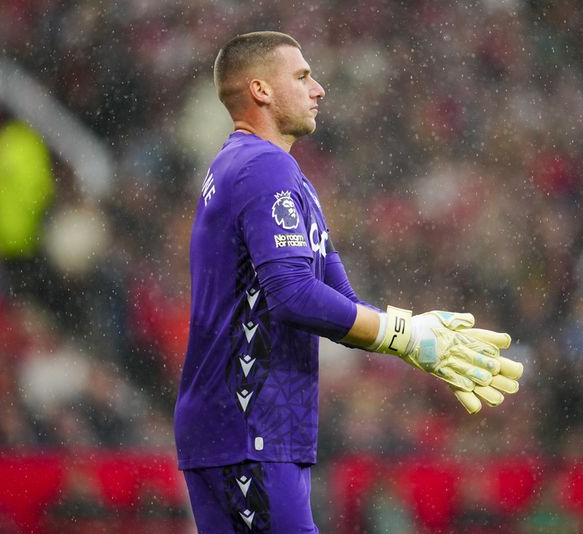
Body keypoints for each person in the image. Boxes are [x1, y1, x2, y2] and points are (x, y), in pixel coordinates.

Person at [173, 31, 524, 533]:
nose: (318, 89)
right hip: (248, 425)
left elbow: (339, 304)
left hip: (253, 429)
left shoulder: (277, 175)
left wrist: (415, 333)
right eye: (301, 76)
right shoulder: (262, 168)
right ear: (260, 90)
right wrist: (404, 337)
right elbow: (292, 295)